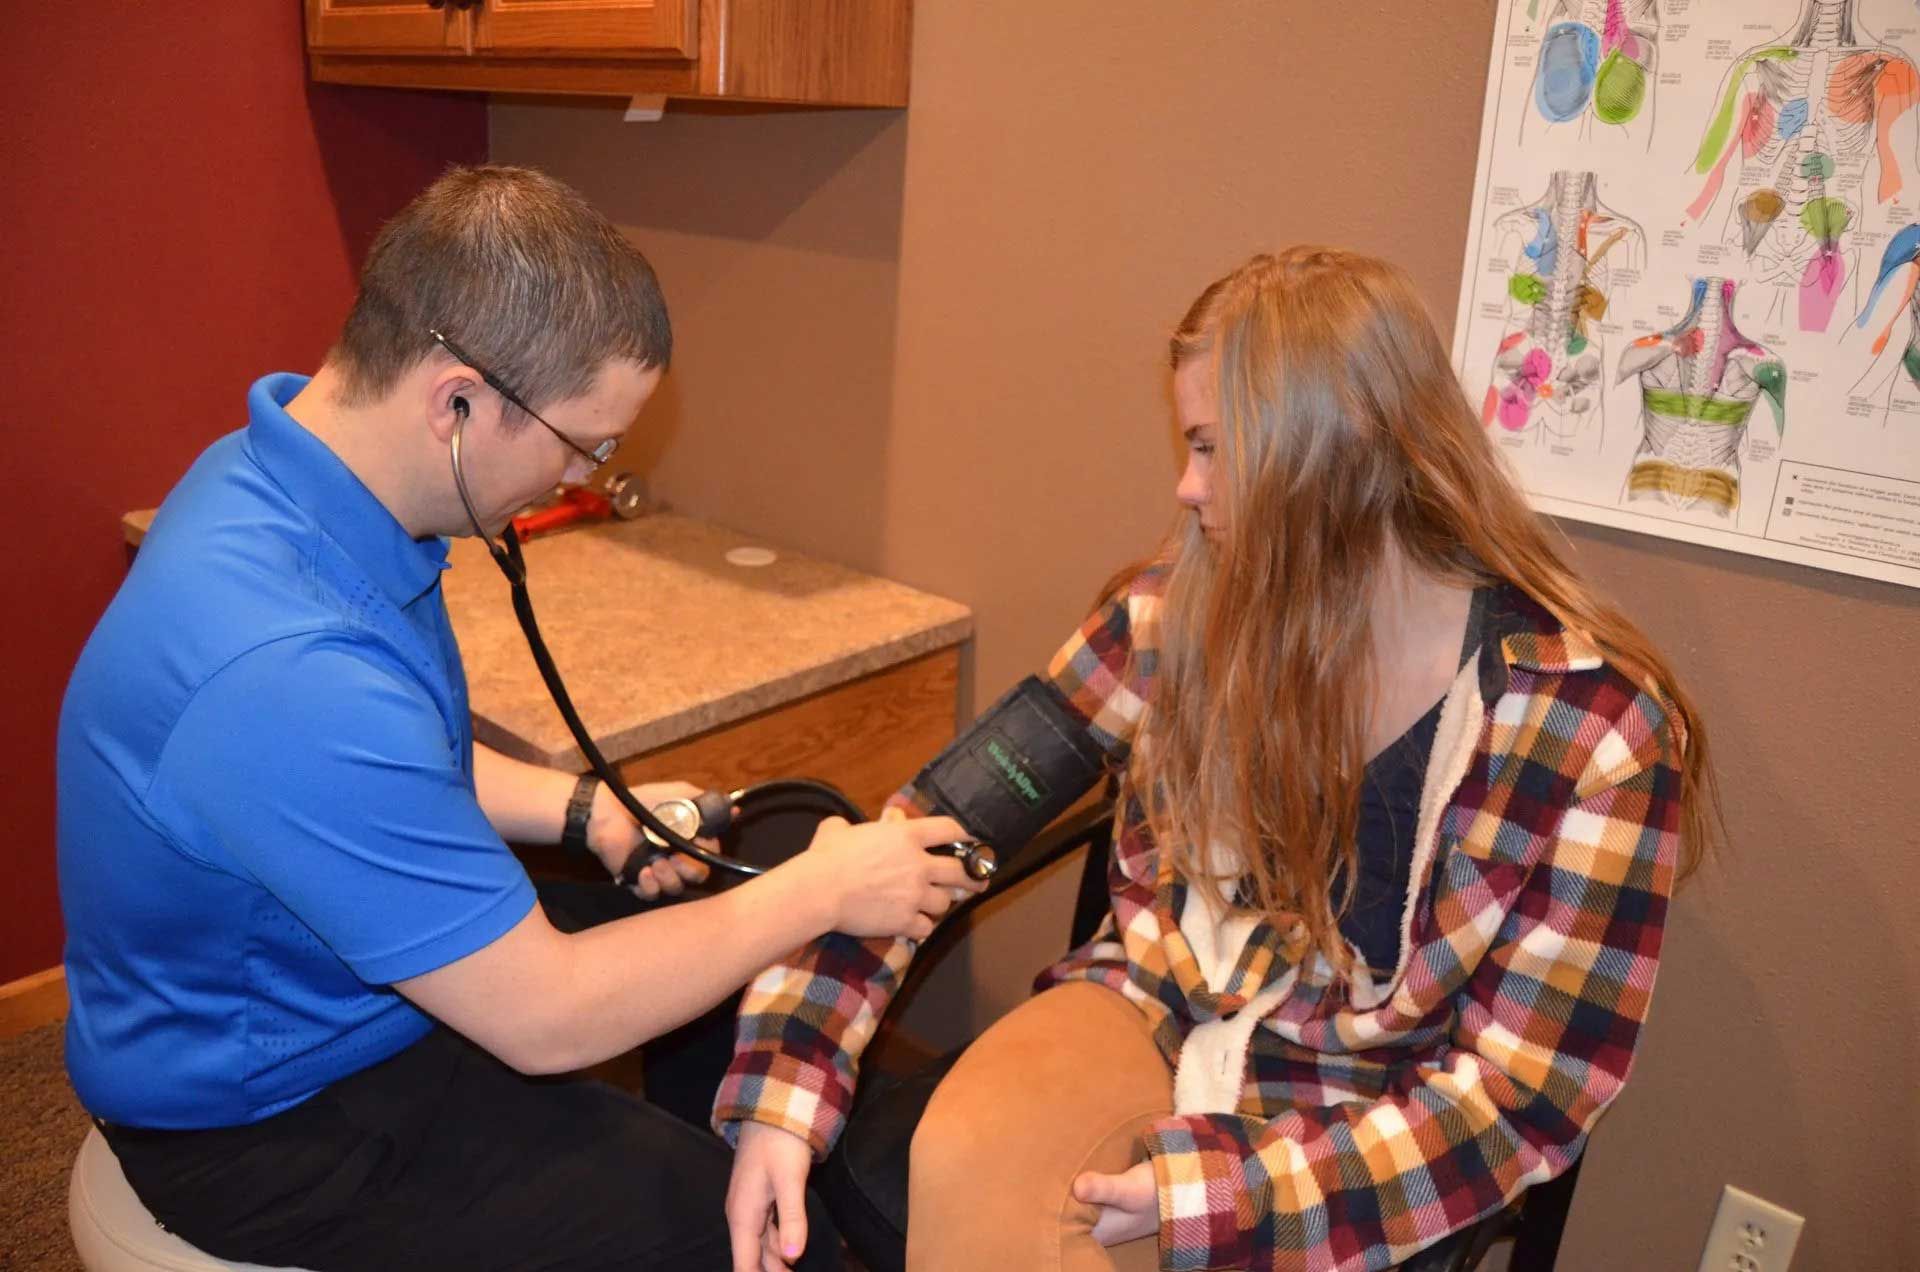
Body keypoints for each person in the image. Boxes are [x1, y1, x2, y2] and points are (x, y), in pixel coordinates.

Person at [56, 164, 982, 1272]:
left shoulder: (282, 475)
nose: (575, 479)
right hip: (273, 1118)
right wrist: (826, 887)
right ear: (457, 402)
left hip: (321, 978)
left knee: (730, 937)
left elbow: (397, 757)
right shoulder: (284, 669)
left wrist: (582, 807)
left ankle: (698, 1158)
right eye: (582, 445)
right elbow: (547, 1020)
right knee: (738, 1241)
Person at [716, 247, 1716, 1271]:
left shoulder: (1594, 733)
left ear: (1341, 445)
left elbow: (1520, 1098)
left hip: (1370, 1120)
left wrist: (1218, 1201)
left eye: (1209, 445)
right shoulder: (1169, 620)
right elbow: (928, 834)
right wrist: (786, 1088)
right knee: (966, 1157)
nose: (1183, 485)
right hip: (1156, 1010)